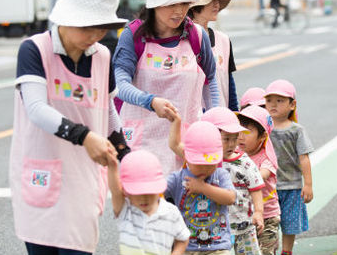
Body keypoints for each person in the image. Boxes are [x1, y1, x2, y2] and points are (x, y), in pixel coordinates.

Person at [10, 0, 129, 254]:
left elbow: (108, 110)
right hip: (42, 174)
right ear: (67, 18)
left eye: (101, 28)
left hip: (83, 179)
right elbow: (36, 108)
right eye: (87, 27)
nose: (95, 36)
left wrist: (125, 153)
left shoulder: (102, 56)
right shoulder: (34, 50)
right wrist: (85, 136)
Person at [112, 0, 220, 176]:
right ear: (154, 4)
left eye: (183, 3)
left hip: (186, 144)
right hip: (142, 145)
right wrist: (150, 101)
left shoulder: (197, 36)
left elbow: (211, 80)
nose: (179, 11)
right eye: (171, 4)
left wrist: (215, 123)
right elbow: (120, 85)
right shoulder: (133, 36)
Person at [168, 107, 265, 255]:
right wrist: (176, 122)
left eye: (235, 138)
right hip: (209, 232)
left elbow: (254, 188)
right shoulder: (197, 157)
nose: (232, 144)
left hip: (242, 224)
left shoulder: (242, 162)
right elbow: (175, 145)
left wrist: (258, 212)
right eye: (226, 139)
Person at [165, 120, 236, 254]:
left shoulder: (220, 175)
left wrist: (203, 188)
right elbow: (157, 191)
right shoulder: (177, 178)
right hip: (186, 247)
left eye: (210, 164)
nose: (205, 168)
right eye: (199, 163)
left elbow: (231, 198)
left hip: (217, 246)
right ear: (186, 156)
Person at [107, 149, 190, 254]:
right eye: (137, 193)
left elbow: (183, 239)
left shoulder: (171, 212)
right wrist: (112, 166)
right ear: (126, 192)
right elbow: (115, 191)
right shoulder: (126, 209)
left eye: (150, 192)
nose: (144, 198)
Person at [264, 80, 314, 255]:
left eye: (280, 100)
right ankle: (270, 250)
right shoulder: (263, 128)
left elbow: (304, 157)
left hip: (292, 186)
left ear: (292, 105)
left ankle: (287, 251)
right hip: (268, 188)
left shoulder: (296, 130)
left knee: (290, 224)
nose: (273, 105)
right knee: (269, 222)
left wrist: (307, 184)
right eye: (269, 100)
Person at [189, 0, 239, 111]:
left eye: (217, 0)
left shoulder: (223, 40)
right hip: (193, 120)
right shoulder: (183, 40)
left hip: (221, 119)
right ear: (194, 7)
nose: (217, 4)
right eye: (210, 0)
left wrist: (234, 115)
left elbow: (229, 84)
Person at [236, 105, 280, 255]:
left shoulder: (266, 159)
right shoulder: (235, 154)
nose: (241, 135)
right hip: (244, 216)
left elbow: (260, 176)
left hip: (267, 216)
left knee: (266, 251)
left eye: (247, 131)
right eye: (239, 129)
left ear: (262, 137)